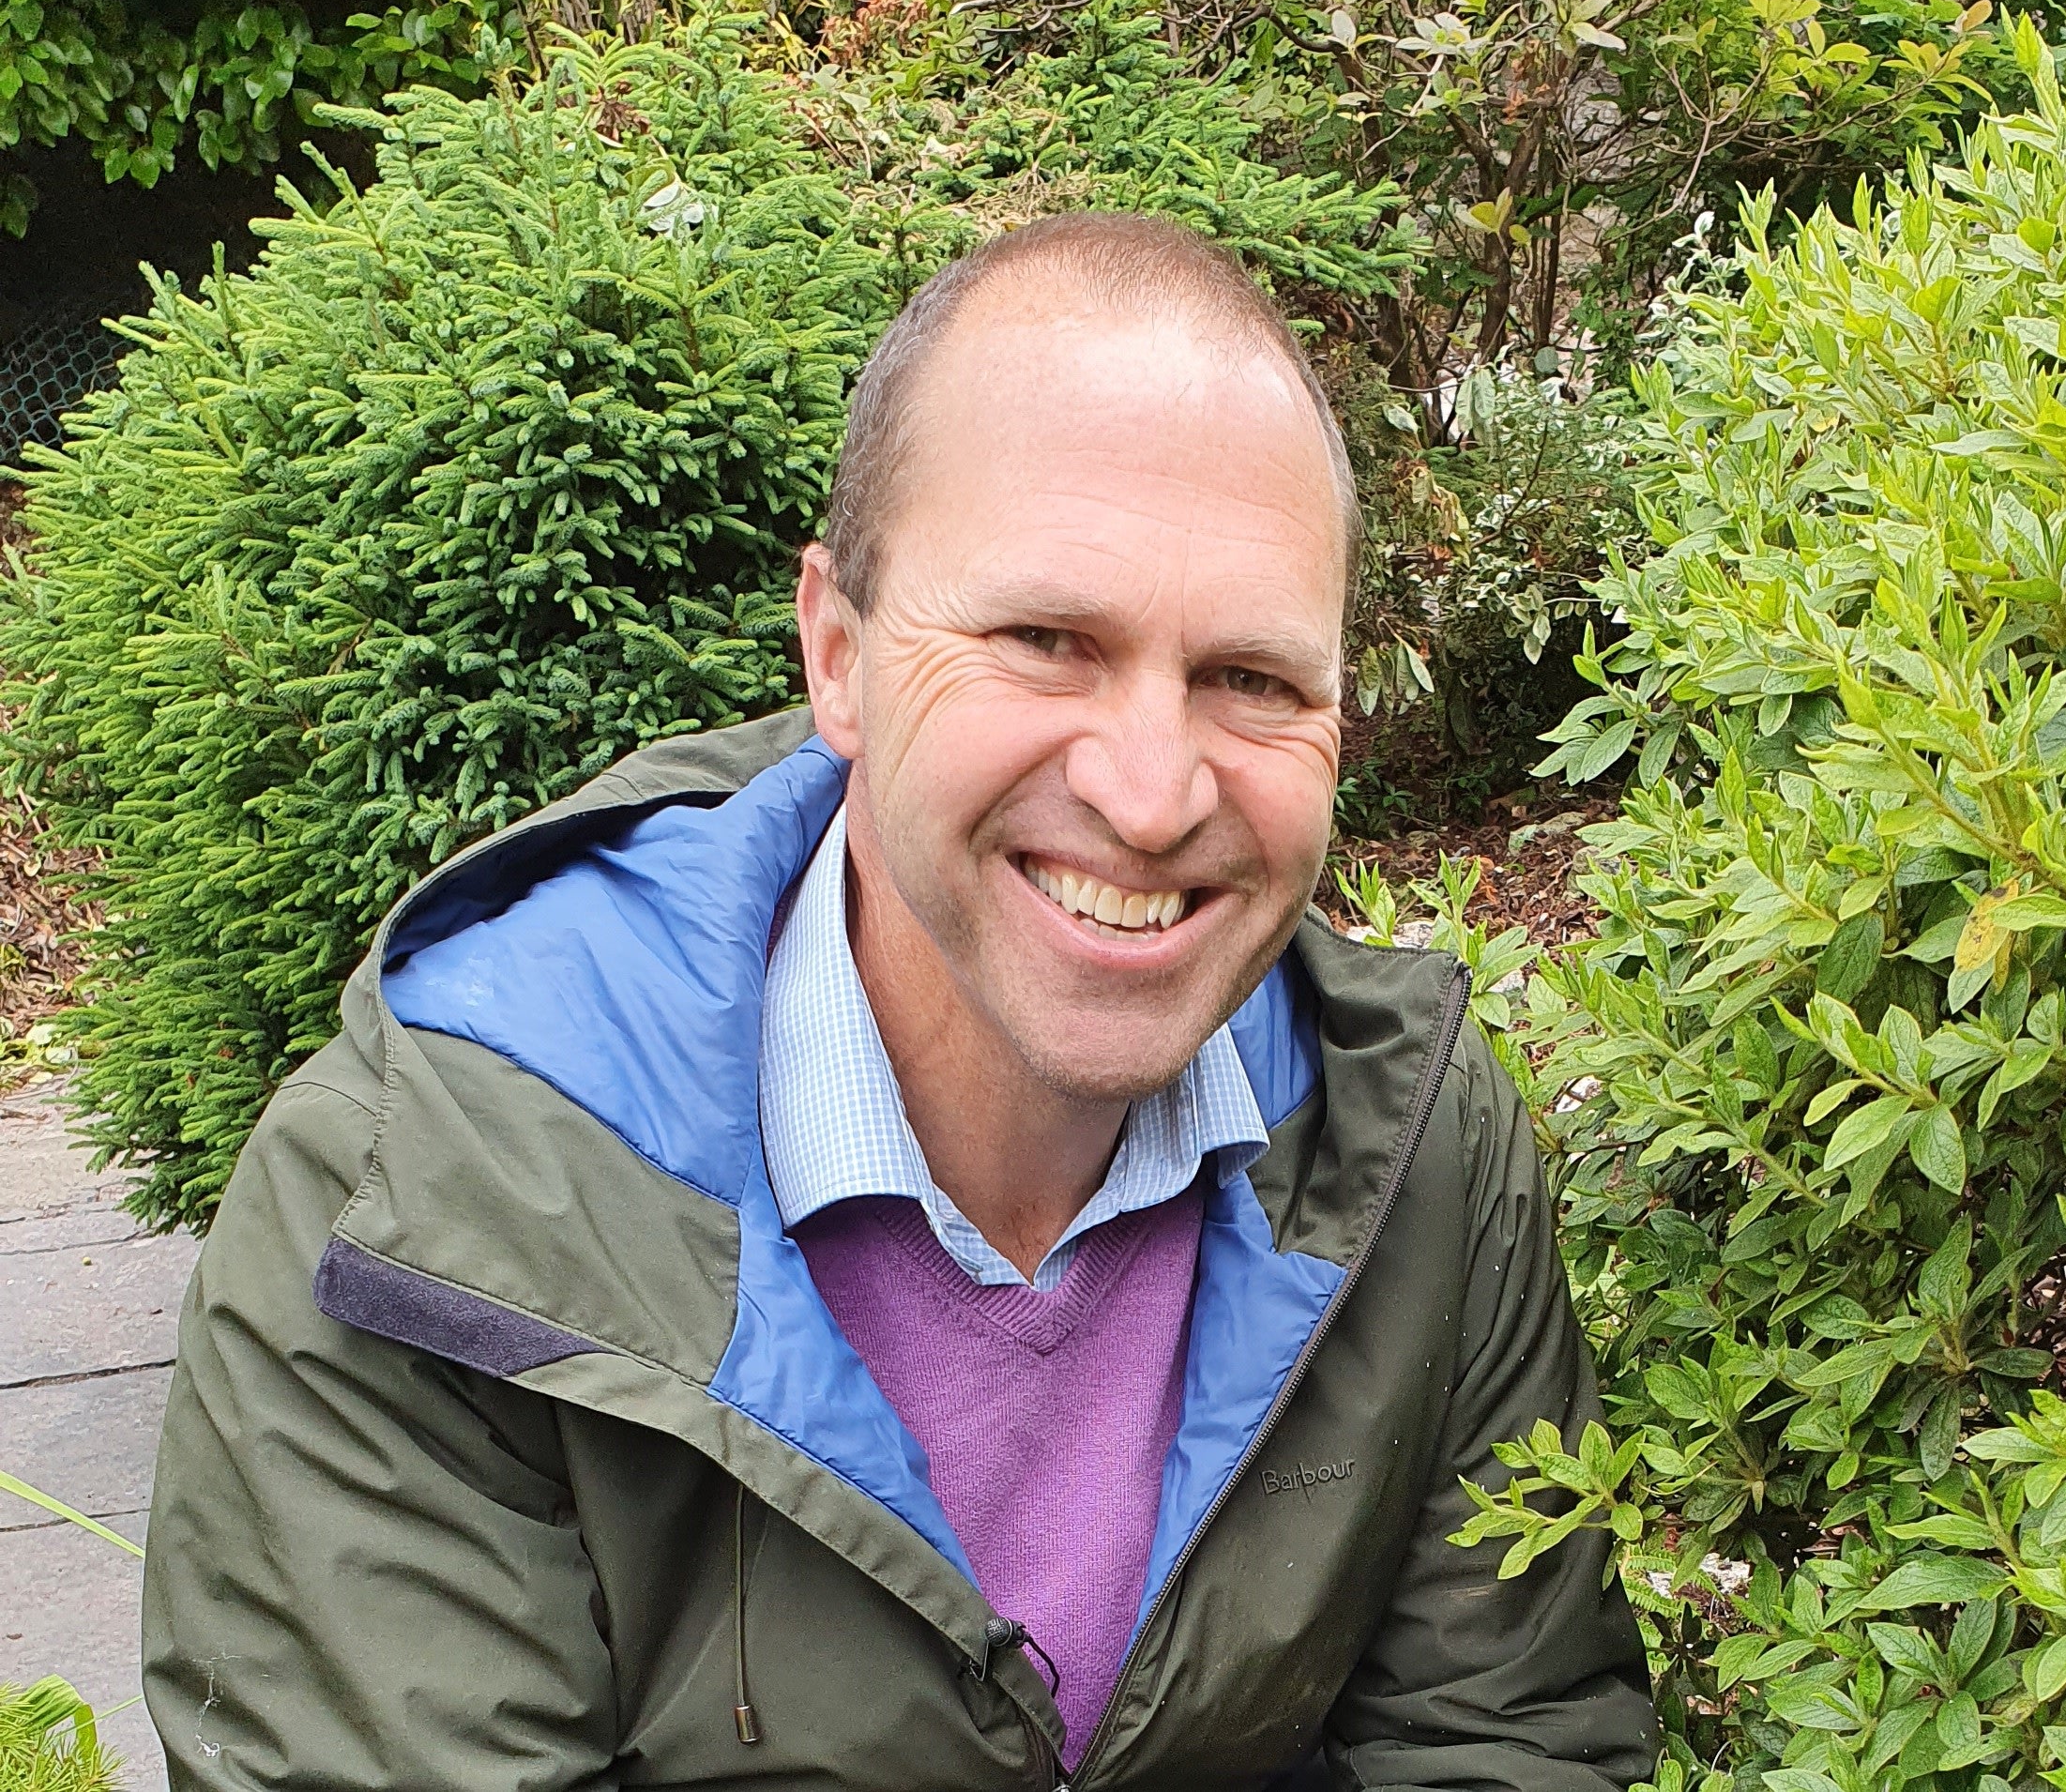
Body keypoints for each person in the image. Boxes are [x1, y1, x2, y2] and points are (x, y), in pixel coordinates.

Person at [142, 212, 1654, 1790]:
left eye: (1252, 681)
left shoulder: (1407, 1142)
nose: (1150, 794)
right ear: (838, 651)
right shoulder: (428, 1204)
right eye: (1046, 641)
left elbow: (1509, 1735)